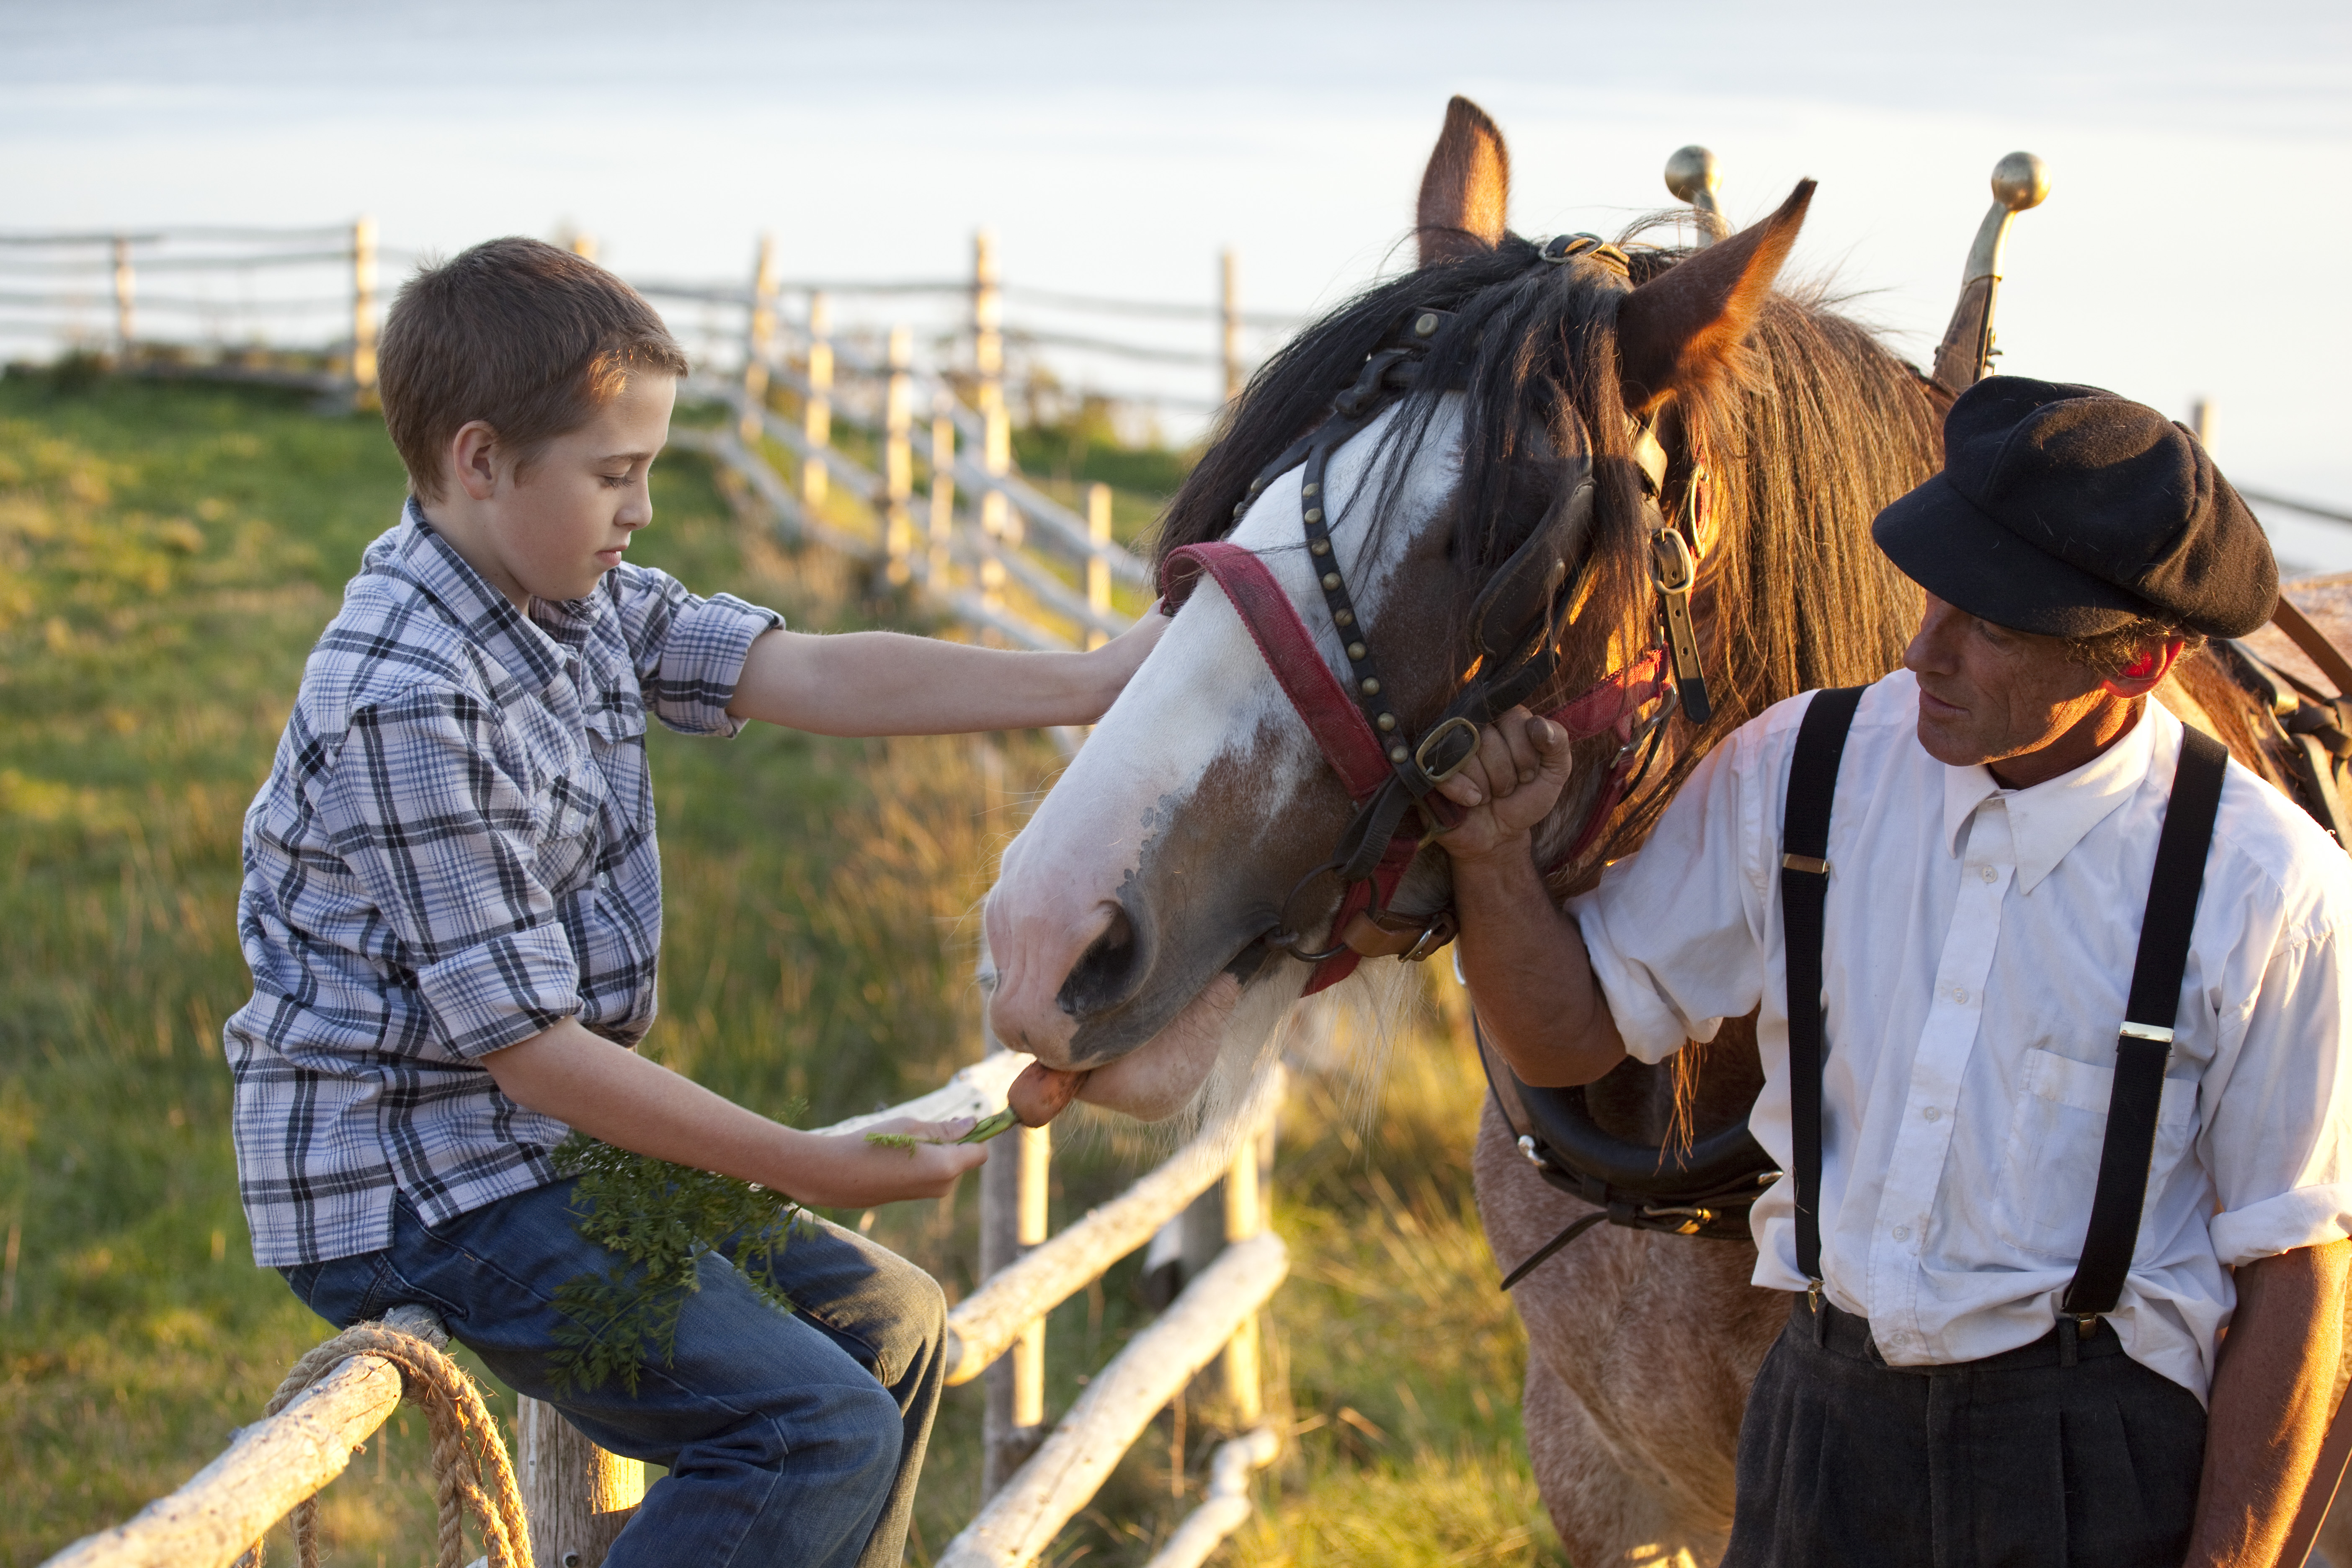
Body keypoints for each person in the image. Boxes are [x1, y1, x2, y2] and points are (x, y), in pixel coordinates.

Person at [225, 237, 1163, 1568]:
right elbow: (533, 1055)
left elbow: (824, 676)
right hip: (414, 1187)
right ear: (483, 463)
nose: (643, 511)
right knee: (808, 1429)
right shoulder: (407, 696)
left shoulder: (574, 597)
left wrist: (1089, 680)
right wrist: (810, 1160)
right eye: (617, 474)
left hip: (531, 1155)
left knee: (894, 1327)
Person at [1436, 377, 2352, 1568]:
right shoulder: (1806, 769)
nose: (1925, 648)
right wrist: (1493, 861)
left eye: (1995, 627)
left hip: (2090, 1464)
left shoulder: (2267, 888)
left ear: (2139, 664)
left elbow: (2297, 1278)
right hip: (1820, 1422)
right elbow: (1570, 1033)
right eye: (1934, 593)